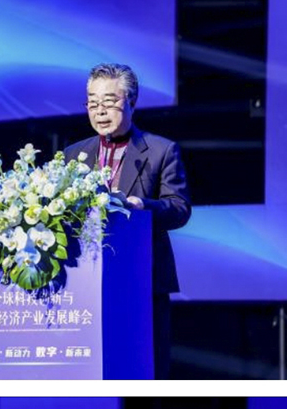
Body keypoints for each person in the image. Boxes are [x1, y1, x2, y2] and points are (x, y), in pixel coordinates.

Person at [63, 63, 191, 379]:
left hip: (143, 280)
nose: (99, 111)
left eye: (109, 101)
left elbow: (179, 208)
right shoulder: (73, 154)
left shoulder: (161, 150)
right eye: (92, 103)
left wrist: (142, 206)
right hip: (84, 284)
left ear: (131, 101)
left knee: (144, 368)